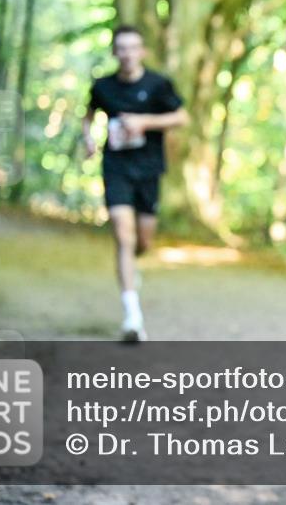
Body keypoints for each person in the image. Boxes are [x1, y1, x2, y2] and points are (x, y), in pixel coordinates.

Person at [82, 25, 188, 342]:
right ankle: (132, 318)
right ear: (115, 52)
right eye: (122, 48)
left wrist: (145, 122)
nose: (127, 54)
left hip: (149, 170)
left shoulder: (158, 85)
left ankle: (132, 264)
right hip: (116, 167)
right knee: (123, 236)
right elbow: (89, 114)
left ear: (142, 51)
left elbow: (181, 118)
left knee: (142, 242)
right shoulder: (103, 86)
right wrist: (88, 138)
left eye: (133, 47)